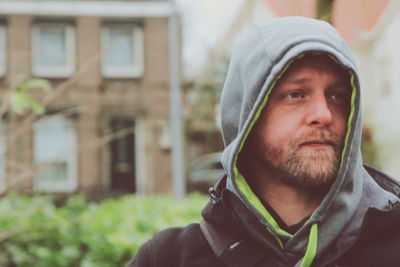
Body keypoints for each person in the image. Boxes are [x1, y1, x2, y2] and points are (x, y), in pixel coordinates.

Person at [128, 17, 400, 267]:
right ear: (248, 115)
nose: (323, 114)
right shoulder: (168, 259)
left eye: (337, 96)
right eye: (296, 94)